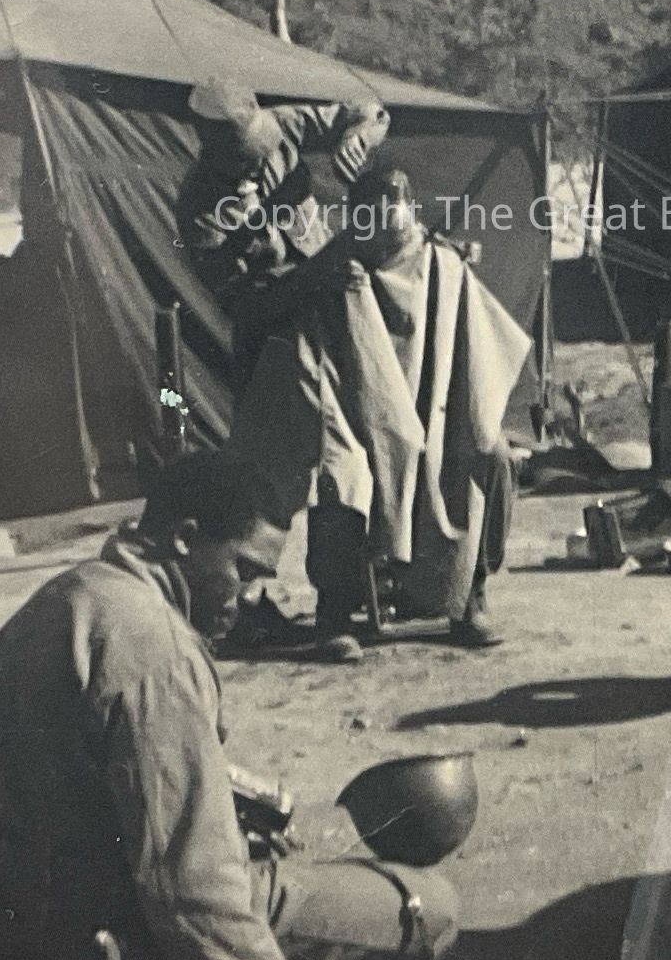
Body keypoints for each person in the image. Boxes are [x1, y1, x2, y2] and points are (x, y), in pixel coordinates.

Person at [0, 450, 459, 960]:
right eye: (242, 571)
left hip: (37, 912)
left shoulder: (66, 599)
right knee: (432, 908)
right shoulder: (155, 649)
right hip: (120, 936)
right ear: (186, 538)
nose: (248, 598)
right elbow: (187, 888)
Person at [209, 157, 531, 661]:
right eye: (369, 217)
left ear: (412, 213)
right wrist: (314, 279)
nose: (383, 228)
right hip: (358, 421)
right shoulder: (335, 268)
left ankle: (469, 595)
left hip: (440, 416)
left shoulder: (443, 267)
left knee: (492, 457)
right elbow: (274, 322)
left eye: (394, 214)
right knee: (343, 473)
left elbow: (478, 354)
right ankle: (334, 613)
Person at [175, 83, 390, 346]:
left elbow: (372, 112)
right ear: (217, 155)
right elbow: (246, 308)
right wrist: (321, 269)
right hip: (281, 338)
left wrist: (357, 138)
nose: (262, 159)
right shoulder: (198, 211)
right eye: (247, 156)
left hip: (338, 299)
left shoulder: (281, 125)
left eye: (264, 146)